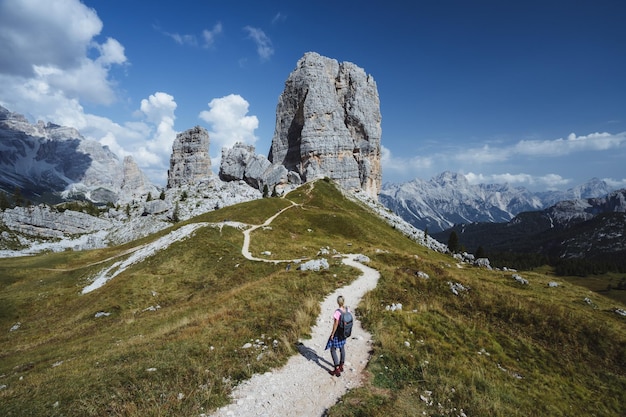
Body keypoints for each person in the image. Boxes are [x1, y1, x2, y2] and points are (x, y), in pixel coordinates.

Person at [327, 295, 348, 377]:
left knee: (333, 349)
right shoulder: (347, 309)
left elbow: (336, 324)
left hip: (338, 333)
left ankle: (336, 368)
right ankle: (341, 365)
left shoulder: (337, 312)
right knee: (342, 347)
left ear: (337, 302)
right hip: (344, 332)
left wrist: (332, 334)